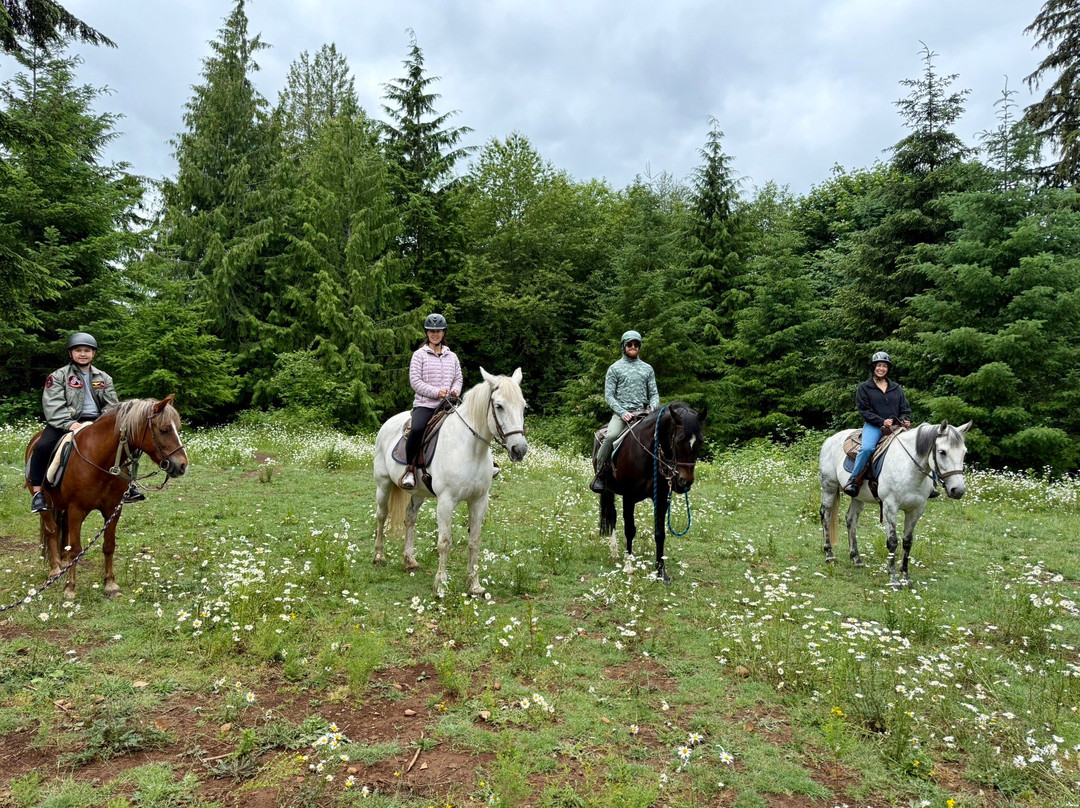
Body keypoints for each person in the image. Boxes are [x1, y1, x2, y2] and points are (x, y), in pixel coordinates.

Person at [28, 332, 145, 513]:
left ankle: (128, 485)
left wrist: (105, 422)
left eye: (87, 350)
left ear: (94, 354)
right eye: (78, 350)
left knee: (126, 445)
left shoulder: (104, 378)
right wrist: (68, 424)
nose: (83, 354)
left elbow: (111, 405)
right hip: (66, 422)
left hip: (97, 422)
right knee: (43, 446)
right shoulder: (58, 376)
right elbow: (53, 405)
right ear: (70, 354)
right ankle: (38, 493)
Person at [843, 351, 936, 498]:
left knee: (924, 444)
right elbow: (864, 410)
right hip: (874, 426)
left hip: (897, 427)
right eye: (878, 365)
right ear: (873, 368)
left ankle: (932, 484)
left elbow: (904, 408)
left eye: (884, 366)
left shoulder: (896, 388)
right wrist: (881, 421)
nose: (881, 368)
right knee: (867, 449)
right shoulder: (864, 388)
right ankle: (854, 481)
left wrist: (905, 418)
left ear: (888, 369)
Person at [590, 330, 660, 493]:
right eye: (630, 344)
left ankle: (666, 475)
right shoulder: (615, 368)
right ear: (624, 346)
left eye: (636, 344)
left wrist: (653, 408)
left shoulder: (647, 369)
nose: (633, 347)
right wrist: (622, 412)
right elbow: (609, 396)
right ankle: (600, 475)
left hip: (644, 413)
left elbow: (654, 393)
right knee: (611, 436)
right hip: (623, 414)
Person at [400, 313, 463, 490]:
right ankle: (410, 469)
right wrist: (436, 392)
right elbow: (415, 382)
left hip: (449, 405)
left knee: (472, 424)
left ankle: (486, 465)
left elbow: (458, 378)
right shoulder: (419, 355)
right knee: (417, 429)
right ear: (427, 333)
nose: (435, 334)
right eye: (431, 331)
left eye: (439, 331)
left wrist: (456, 389)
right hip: (426, 405)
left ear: (444, 333)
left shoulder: (453, 357)